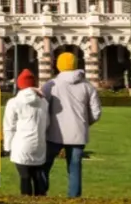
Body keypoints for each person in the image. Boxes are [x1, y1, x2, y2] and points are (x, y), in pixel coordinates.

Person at [41, 51, 101, 198]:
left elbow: (42, 109)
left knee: (44, 166)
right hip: (78, 134)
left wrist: (48, 124)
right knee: (74, 168)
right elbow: (96, 112)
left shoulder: (51, 85)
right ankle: (74, 199)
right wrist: (85, 123)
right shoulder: (87, 86)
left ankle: (40, 195)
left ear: (58, 65)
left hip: (54, 133)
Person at [3, 69, 49, 196]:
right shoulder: (44, 102)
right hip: (39, 145)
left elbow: (9, 126)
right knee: (38, 177)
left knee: (25, 177)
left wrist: (7, 147)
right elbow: (47, 123)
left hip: (22, 145)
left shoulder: (14, 102)